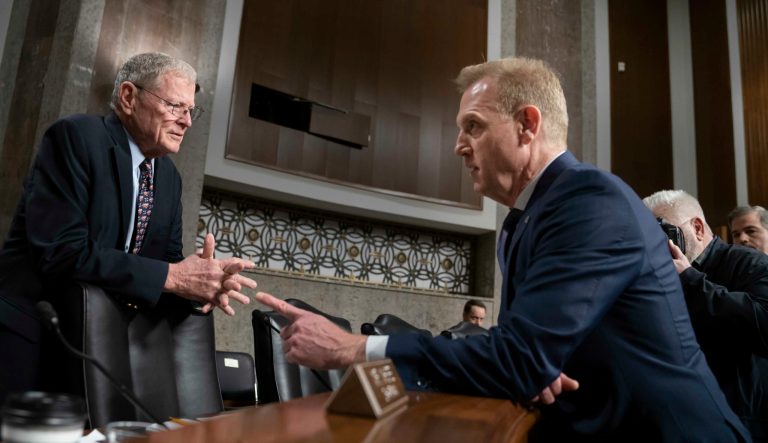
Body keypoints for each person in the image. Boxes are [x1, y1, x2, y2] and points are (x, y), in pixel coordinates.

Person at [255, 57, 749, 441]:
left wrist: (353, 347)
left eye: (473, 125)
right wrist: (535, 364)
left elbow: (519, 357)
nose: (458, 145)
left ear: (527, 125)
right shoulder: (524, 221)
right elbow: (527, 354)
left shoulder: (588, 200)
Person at [0, 52, 257, 408]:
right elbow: (62, 251)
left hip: (97, 348)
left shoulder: (169, 178)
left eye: (190, 111)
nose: (186, 122)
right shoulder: (76, 137)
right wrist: (174, 277)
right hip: (35, 336)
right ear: (128, 97)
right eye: (175, 106)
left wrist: (200, 287)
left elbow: (163, 269)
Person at [644, 190, 768, 441]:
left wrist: (690, 280)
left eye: (663, 233)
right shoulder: (659, 279)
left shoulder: (750, 263)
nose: (657, 245)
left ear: (698, 228)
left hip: (743, 423)